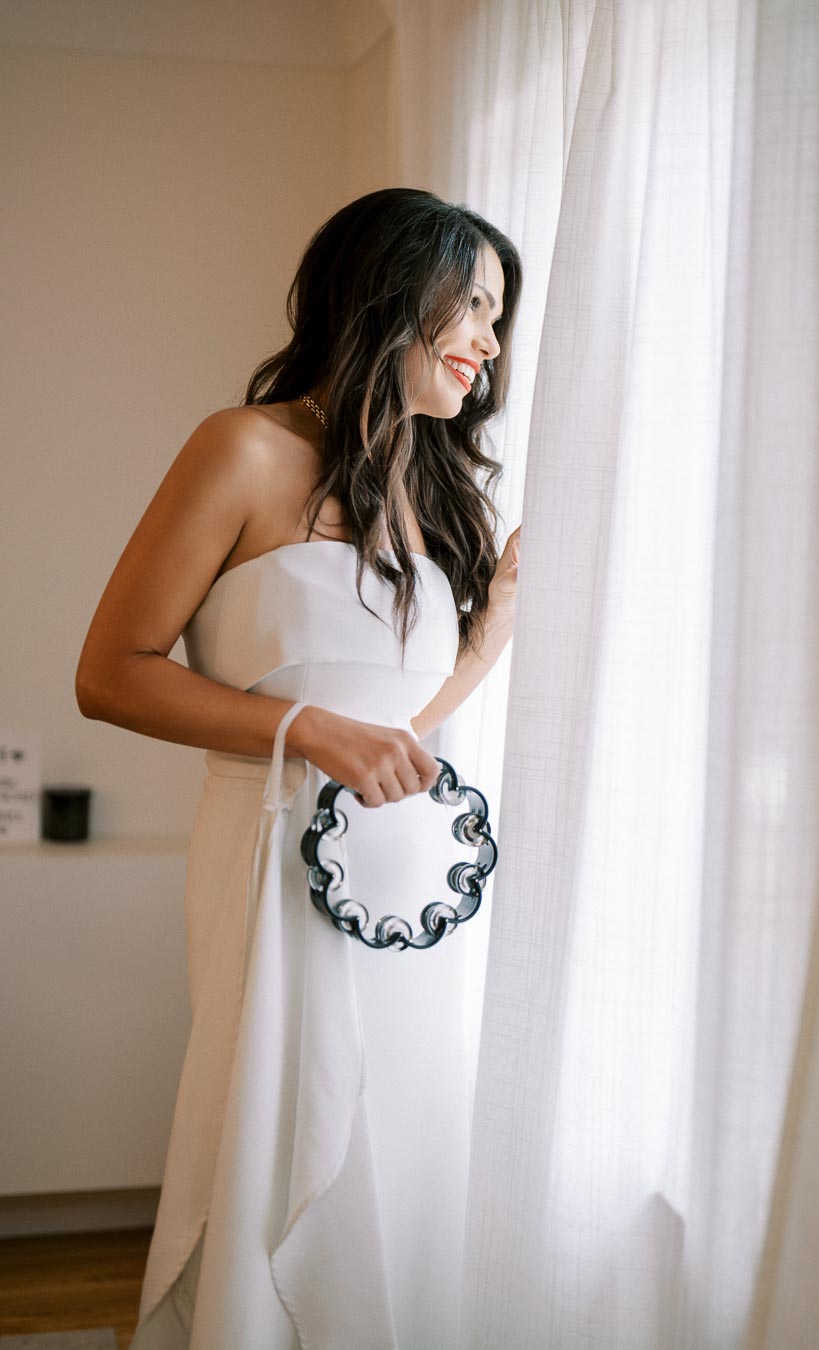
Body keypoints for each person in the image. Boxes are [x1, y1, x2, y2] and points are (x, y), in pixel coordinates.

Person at [76, 187, 523, 1349]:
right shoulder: (243, 447)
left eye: (498, 318)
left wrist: (490, 632)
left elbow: (397, 724)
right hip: (270, 855)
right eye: (472, 306)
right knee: (285, 1122)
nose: (487, 341)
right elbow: (111, 673)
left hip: (404, 869)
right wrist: (305, 733)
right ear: (390, 293)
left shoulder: (434, 489)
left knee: (404, 1136)